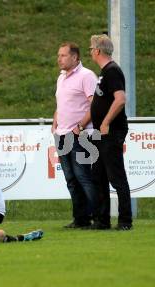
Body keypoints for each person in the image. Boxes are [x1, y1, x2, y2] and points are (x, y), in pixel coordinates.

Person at [52, 42, 98, 229]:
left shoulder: (87, 76)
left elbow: (95, 104)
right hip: (62, 134)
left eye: (63, 55)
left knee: (83, 177)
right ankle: (81, 219)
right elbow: (62, 103)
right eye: (59, 55)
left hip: (81, 135)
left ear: (75, 57)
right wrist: (55, 119)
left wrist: (80, 126)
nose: (59, 59)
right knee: (71, 179)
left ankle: (98, 217)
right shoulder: (61, 77)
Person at [89, 34, 132, 230]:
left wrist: (105, 122)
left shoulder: (113, 71)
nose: (90, 52)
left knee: (116, 176)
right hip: (100, 133)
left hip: (111, 131)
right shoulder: (104, 72)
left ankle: (125, 221)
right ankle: (102, 220)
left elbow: (120, 99)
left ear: (97, 51)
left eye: (91, 48)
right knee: (98, 175)